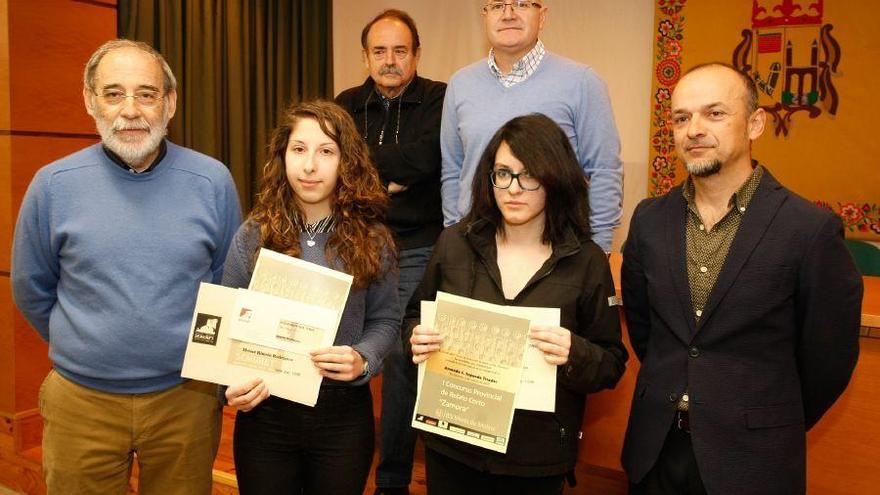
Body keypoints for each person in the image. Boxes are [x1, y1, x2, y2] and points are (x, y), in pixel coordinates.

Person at [11, 39, 241, 494]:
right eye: (113, 93)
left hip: (186, 400)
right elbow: (31, 287)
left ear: (169, 103)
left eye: (146, 94)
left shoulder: (212, 181)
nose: (130, 110)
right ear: (89, 100)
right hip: (81, 401)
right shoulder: (52, 185)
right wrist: (90, 346)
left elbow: (228, 285)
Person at [621, 62, 863, 494]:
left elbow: (828, 360)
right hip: (655, 452)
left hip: (752, 461)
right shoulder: (648, 221)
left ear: (755, 123)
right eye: (681, 118)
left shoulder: (808, 230)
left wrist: (767, 417)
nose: (694, 129)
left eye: (714, 114)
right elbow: (648, 332)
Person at [407, 114, 628, 494]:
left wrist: (574, 352)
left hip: (535, 457)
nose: (513, 188)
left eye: (529, 176)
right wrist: (415, 337)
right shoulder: (455, 243)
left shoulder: (587, 260)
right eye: (503, 174)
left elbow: (611, 363)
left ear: (554, 179)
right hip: (453, 445)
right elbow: (414, 314)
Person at [222, 100, 401, 494]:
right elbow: (225, 320)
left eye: (326, 152)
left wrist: (364, 358)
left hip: (342, 415)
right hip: (265, 412)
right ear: (282, 156)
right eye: (299, 149)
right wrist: (228, 385)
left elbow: (386, 320)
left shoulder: (372, 239)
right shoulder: (254, 235)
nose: (309, 166)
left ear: (346, 161)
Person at [335, 10, 446, 494]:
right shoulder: (345, 105)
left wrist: (367, 170)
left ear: (417, 55)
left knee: (401, 358)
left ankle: (392, 481)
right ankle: (334, 461)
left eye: (400, 50)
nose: (390, 60)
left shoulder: (442, 98)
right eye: (379, 51)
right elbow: (340, 163)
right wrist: (387, 176)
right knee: (337, 346)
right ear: (365, 56)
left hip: (417, 248)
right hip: (354, 243)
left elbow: (429, 157)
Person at [441, 0, 622, 252]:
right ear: (485, 16)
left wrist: (598, 248)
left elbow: (604, 170)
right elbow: (453, 171)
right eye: (497, 6)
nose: (508, 14)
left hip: (558, 249)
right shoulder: (460, 84)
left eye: (521, 4)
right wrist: (455, 235)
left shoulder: (582, 82)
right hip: (476, 246)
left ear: (542, 16)